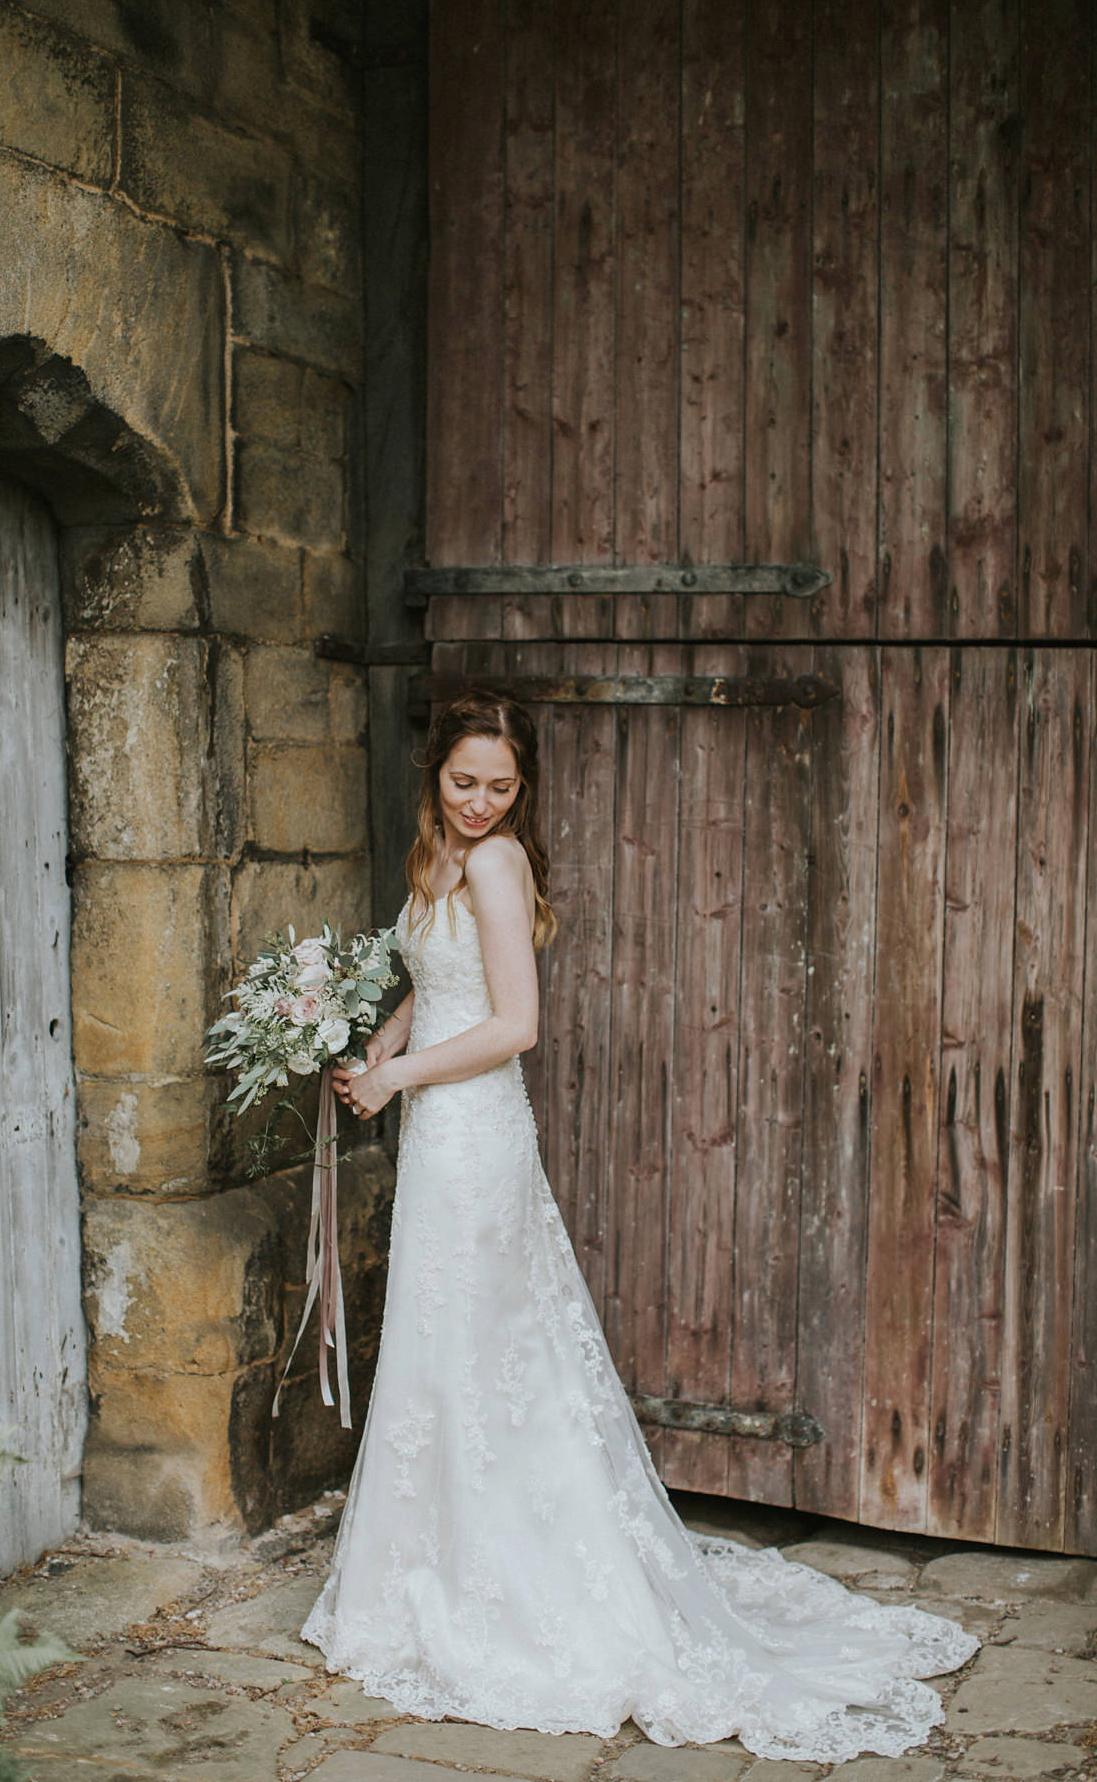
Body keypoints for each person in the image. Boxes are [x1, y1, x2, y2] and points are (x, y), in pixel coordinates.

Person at [304, 688, 978, 1760]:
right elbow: (438, 984)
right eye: (464, 782)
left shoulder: (495, 862)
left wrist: (404, 1081)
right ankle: (426, 1570)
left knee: (480, 1352)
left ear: (522, 790)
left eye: (502, 787)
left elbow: (514, 1025)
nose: (481, 803)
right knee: (443, 1355)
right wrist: (381, 1051)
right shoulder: (435, 858)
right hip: (437, 1131)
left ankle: (505, 1585)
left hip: (475, 1138)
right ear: (434, 773)